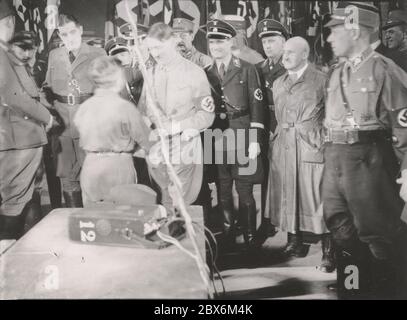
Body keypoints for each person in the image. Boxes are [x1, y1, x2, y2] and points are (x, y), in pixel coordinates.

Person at [324, 2, 407, 298]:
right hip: (335, 157)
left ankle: (387, 290)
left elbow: (403, 126)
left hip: (368, 158)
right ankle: (353, 290)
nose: (329, 38)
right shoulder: (336, 73)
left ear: (355, 31)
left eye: (335, 31)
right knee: (340, 229)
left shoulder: (386, 70)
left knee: (377, 234)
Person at [265, 37, 334, 272]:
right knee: (288, 194)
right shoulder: (278, 82)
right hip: (284, 145)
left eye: (290, 52)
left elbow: (333, 116)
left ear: (304, 55)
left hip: (311, 145)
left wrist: (323, 141)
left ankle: (329, 250)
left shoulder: (321, 80)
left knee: (317, 199)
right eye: (284, 52)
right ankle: (295, 242)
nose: (284, 56)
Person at [139, 22, 215, 210]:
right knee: (163, 201)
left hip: (184, 146)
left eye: (159, 47)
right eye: (151, 48)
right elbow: (142, 111)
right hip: (156, 149)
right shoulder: (150, 73)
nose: (155, 53)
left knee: (179, 203)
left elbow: (206, 116)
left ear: (173, 42)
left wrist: (175, 127)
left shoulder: (194, 73)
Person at [204, 19, 265, 250]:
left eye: (220, 41)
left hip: (243, 132)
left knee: (245, 188)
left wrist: (255, 141)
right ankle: (229, 233)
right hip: (216, 137)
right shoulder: (206, 73)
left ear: (230, 42)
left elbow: (257, 105)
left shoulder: (247, 69)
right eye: (212, 42)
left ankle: (250, 236)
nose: (216, 46)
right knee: (222, 187)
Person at [0, 4, 58, 239]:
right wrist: (47, 116)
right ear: (9, 22)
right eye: (9, 23)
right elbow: (15, 96)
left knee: (15, 196)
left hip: (13, 136)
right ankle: (8, 256)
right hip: (19, 138)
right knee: (16, 199)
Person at [43, 13, 106, 208]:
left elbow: (108, 90)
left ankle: (95, 220)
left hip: (88, 124)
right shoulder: (55, 55)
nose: (68, 38)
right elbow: (47, 86)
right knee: (67, 177)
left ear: (79, 31)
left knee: (92, 175)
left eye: (72, 32)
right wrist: (48, 111)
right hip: (62, 127)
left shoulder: (98, 54)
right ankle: (74, 218)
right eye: (63, 34)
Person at [73, 56, 152, 206]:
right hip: (118, 168)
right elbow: (148, 141)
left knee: (94, 221)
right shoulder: (125, 108)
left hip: (90, 166)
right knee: (122, 221)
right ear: (118, 78)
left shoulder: (84, 108)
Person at [254, 18, 289, 246]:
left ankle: (293, 227)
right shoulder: (259, 69)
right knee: (267, 177)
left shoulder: (290, 66)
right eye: (265, 41)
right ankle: (267, 221)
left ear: (284, 41)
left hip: (284, 129)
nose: (268, 46)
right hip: (265, 129)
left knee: (288, 178)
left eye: (272, 40)